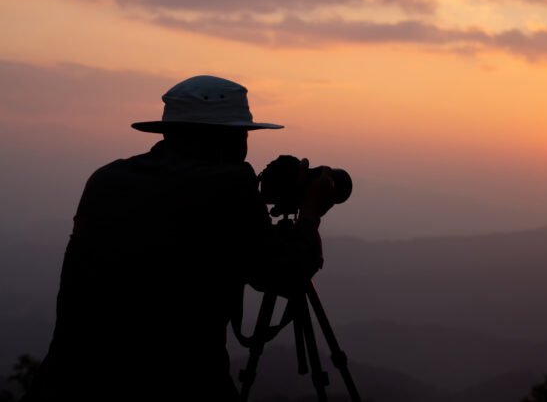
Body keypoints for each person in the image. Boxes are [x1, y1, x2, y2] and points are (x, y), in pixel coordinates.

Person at [23, 76, 333, 402]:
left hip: (67, 383)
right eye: (244, 132)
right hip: (177, 384)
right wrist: (311, 212)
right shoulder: (228, 186)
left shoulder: (106, 179)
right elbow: (287, 274)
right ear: (229, 138)